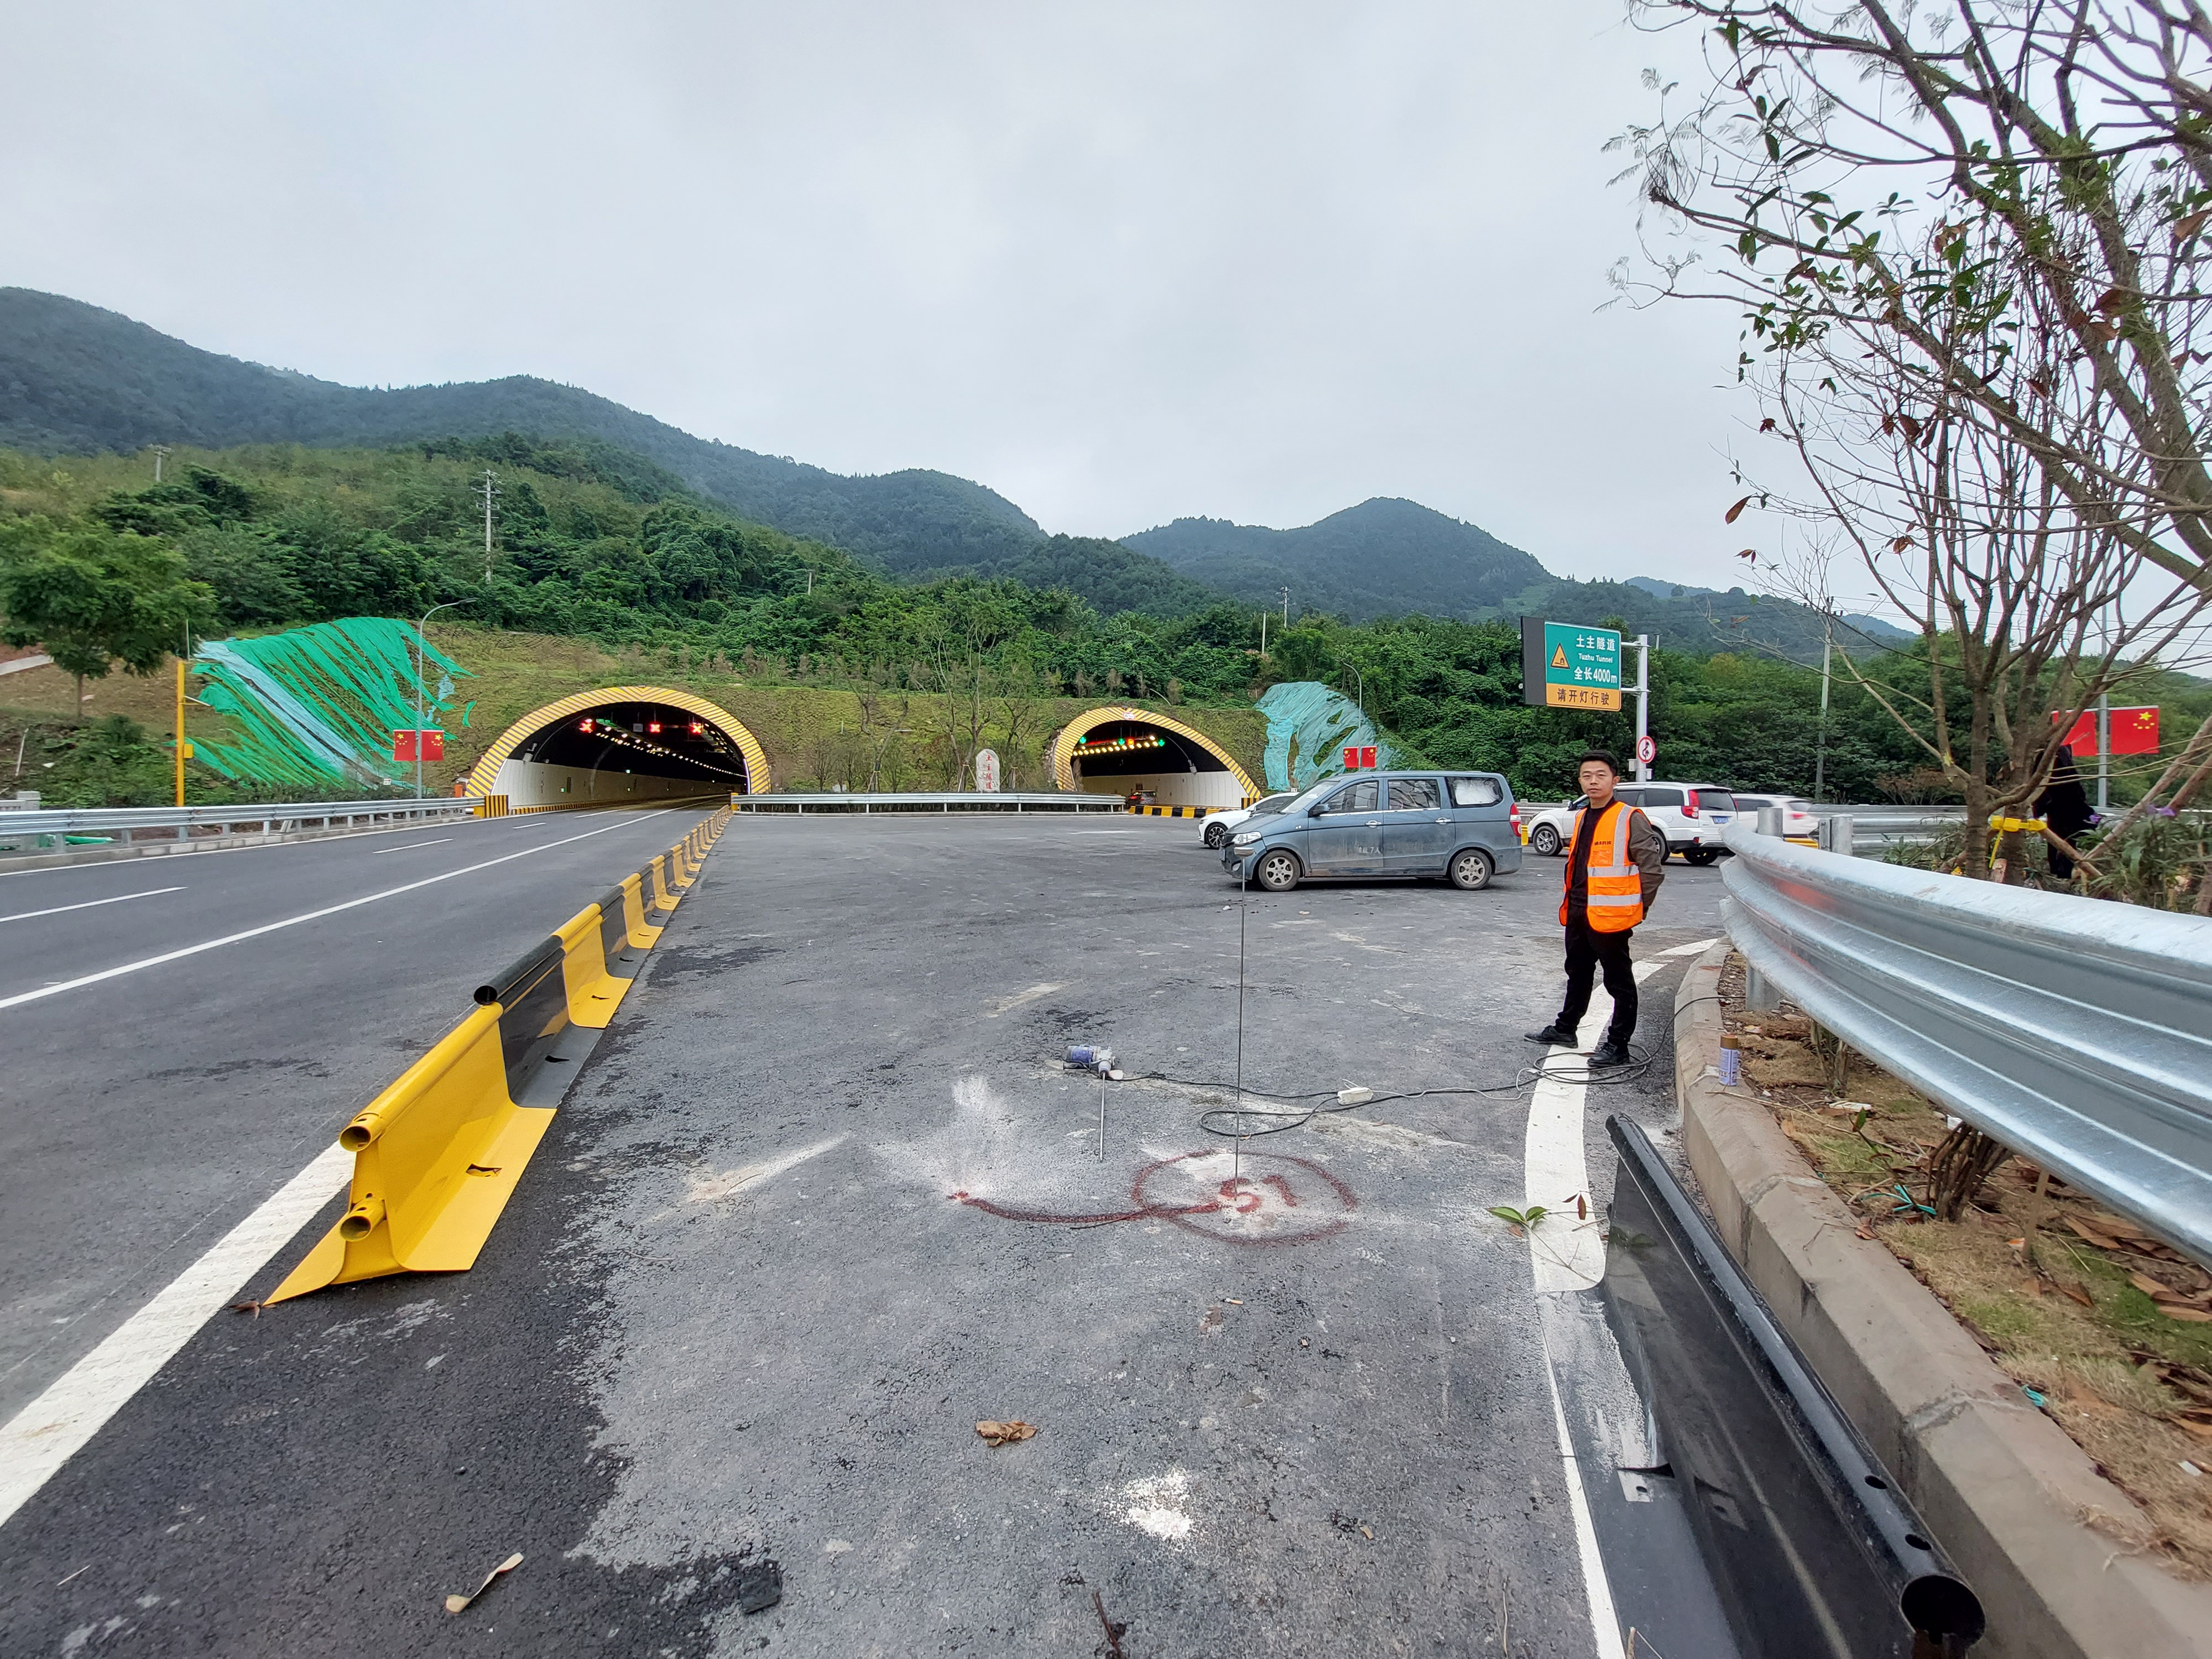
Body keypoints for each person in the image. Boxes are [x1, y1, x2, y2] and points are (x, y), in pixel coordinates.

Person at [1524, 750, 1666, 1068]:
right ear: (1580, 780)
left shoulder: (1630, 818)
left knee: (1619, 982)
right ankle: (1566, 1029)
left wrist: (1638, 909)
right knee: (1577, 972)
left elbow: (1652, 870)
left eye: (1600, 775)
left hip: (1611, 917)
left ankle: (1619, 1045)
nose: (1593, 781)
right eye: (1587, 775)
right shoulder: (1581, 816)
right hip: (1577, 912)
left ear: (1615, 780)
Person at [2035, 746, 2094, 880]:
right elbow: (2079, 793)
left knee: (2057, 841)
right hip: (2065, 811)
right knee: (2066, 841)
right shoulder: (2065, 767)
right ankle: (2062, 872)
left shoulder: (2050, 765)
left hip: (2058, 810)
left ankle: (2059, 871)